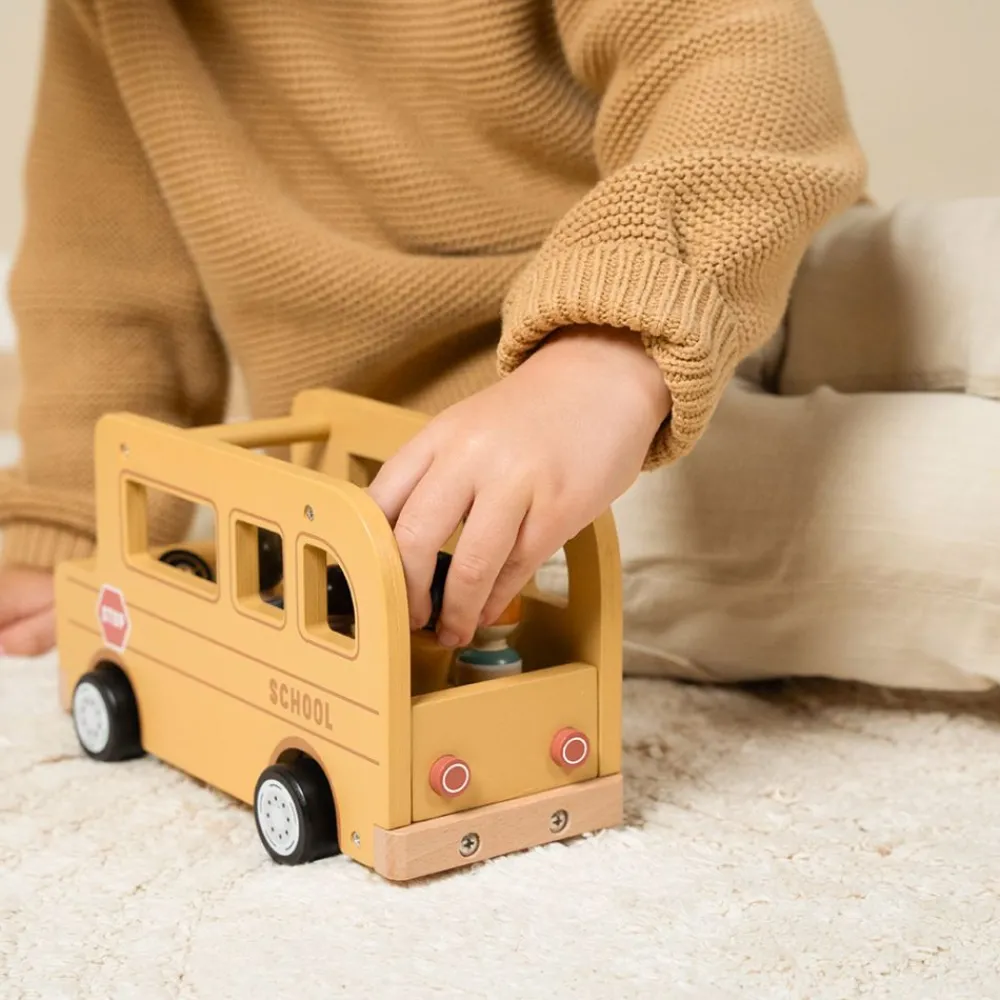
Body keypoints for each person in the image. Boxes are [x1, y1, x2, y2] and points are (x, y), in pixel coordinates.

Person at [0, 0, 866, 658]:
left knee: (920, 272)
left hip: (752, 260)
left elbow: (739, 52)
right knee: (906, 511)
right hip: (479, 466)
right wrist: (71, 524)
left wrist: (605, 346)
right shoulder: (118, 16)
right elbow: (105, 287)